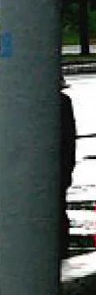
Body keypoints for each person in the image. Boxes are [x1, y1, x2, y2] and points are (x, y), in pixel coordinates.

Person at [60, 79, 78, 255]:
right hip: (62, 163)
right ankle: (62, 245)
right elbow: (70, 137)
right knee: (59, 206)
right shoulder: (64, 102)